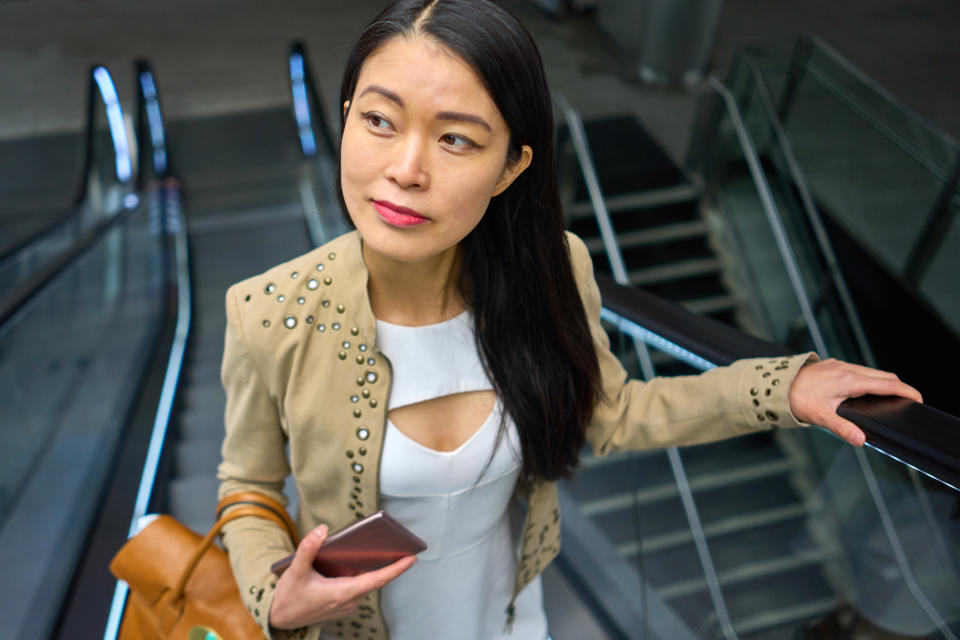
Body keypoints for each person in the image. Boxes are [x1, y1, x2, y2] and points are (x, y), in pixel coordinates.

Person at [216, 1, 922, 639]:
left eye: (456, 139)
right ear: (345, 115)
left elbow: (613, 415)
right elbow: (247, 486)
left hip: (511, 623)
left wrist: (784, 389)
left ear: (511, 166)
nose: (404, 168)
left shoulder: (550, 270)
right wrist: (272, 595)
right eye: (378, 119)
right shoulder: (271, 314)